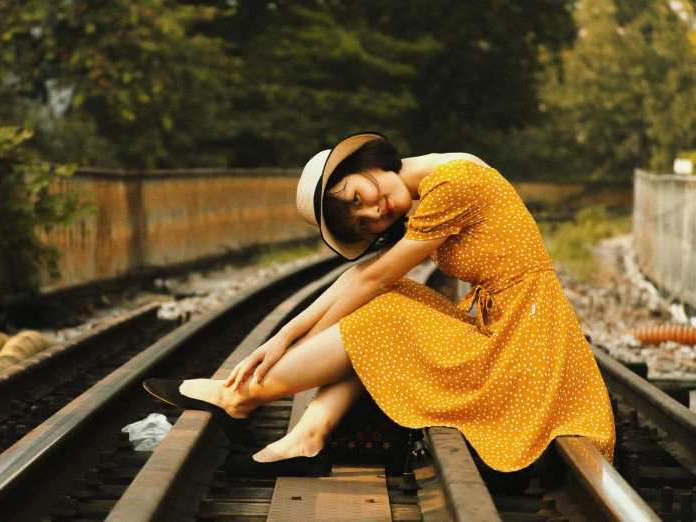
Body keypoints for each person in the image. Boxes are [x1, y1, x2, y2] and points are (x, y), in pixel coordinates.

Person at [144, 131, 616, 477]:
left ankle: (240, 396)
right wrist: (282, 337)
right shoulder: (429, 189)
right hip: (514, 335)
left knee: (384, 308)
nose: (374, 214)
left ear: (366, 163)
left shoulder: (452, 183)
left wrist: (281, 347)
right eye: (361, 225)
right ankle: (307, 437)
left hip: (529, 352)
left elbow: (372, 276)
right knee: (386, 303)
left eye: (358, 198)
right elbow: (360, 277)